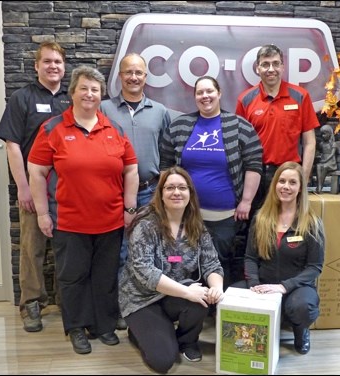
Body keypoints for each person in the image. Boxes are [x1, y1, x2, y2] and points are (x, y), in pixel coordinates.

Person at [27, 65, 139, 355]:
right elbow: (37, 173)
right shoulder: (53, 129)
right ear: (73, 92)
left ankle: (103, 326)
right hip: (69, 222)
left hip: (110, 222)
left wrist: (129, 207)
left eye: (95, 90)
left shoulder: (113, 128)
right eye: (84, 88)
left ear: (101, 95)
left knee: (105, 276)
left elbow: (131, 170)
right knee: (73, 277)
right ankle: (76, 327)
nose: (90, 94)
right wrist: (42, 213)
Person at [159, 76, 263, 289]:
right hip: (186, 214)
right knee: (185, 262)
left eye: (209, 91)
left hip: (224, 216)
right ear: (195, 96)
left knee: (219, 262)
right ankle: (193, 308)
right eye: (200, 92)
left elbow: (254, 164)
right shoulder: (180, 125)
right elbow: (165, 165)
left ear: (219, 94)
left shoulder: (239, 126)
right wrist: (165, 202)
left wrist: (246, 201)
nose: (205, 96)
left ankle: (217, 308)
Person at [0, 41, 70, 333]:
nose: (53, 66)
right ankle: (32, 304)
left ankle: (67, 302)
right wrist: (22, 187)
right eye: (48, 61)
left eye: (58, 62)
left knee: (66, 249)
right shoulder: (22, 98)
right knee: (32, 249)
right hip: (33, 190)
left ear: (64, 67)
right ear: (36, 66)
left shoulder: (72, 97)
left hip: (66, 191)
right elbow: (12, 145)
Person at [119, 166, 224, 374]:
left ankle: (187, 341)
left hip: (174, 294)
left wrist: (216, 288)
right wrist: (187, 292)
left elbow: (212, 264)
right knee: (163, 361)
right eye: (170, 188)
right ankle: (139, 331)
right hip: (142, 299)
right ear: (161, 193)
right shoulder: (146, 225)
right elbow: (145, 272)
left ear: (190, 193)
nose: (176, 192)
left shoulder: (196, 226)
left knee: (200, 299)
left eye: (182, 187)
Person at [100, 52, 171, 331]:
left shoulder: (160, 111)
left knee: (146, 252)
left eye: (138, 73)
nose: (133, 77)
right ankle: (121, 307)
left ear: (145, 77)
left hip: (149, 193)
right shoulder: (104, 109)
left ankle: (146, 306)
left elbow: (167, 153)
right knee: (118, 253)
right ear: (120, 76)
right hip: (111, 194)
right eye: (128, 72)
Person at [234, 161, 325, 355]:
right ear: (275, 184)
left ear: (300, 188)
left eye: (292, 182)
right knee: (231, 295)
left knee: (302, 307)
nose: (286, 186)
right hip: (263, 283)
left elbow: (314, 267)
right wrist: (254, 285)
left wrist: (284, 286)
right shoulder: (261, 218)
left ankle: (301, 331)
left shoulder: (311, 223)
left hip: (296, 288)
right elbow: (250, 257)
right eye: (281, 181)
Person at [236, 44, 320, 209]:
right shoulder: (245, 100)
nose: (271, 69)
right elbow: (239, 145)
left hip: (288, 175)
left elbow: (310, 142)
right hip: (256, 176)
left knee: (287, 226)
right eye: (265, 64)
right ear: (258, 68)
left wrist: (302, 177)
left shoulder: (300, 96)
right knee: (256, 226)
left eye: (275, 63)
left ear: (282, 66)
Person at [315, 124, 338, 193]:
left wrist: (325, 160)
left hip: (331, 163)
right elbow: (320, 153)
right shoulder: (322, 144)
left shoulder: (333, 144)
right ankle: (319, 185)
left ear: (329, 134)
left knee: (324, 167)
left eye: (324, 134)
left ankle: (320, 187)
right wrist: (319, 156)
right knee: (318, 166)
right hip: (324, 161)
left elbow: (332, 154)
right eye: (322, 134)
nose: (323, 136)